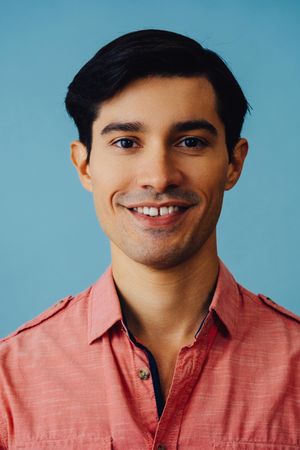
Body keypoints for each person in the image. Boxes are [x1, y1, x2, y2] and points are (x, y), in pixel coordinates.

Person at [0, 29, 299, 450]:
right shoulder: (9, 380)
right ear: (84, 166)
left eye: (190, 142)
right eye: (126, 142)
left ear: (233, 162)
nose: (159, 176)